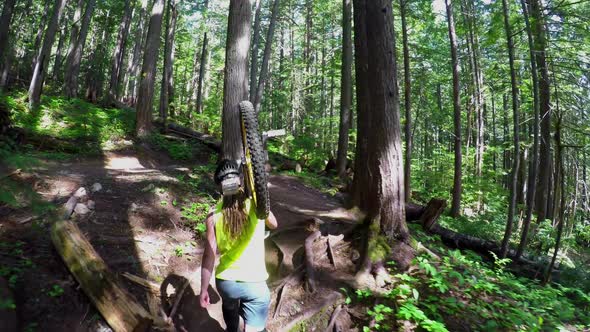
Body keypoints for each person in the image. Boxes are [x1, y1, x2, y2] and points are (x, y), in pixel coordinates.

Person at [199, 159, 278, 332]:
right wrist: (259, 197)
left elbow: (209, 255)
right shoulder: (255, 205)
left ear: (219, 187)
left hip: (227, 283)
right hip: (255, 284)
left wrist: (204, 288)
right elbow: (274, 224)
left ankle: (232, 329)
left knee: (229, 305)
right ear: (239, 181)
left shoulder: (213, 215)